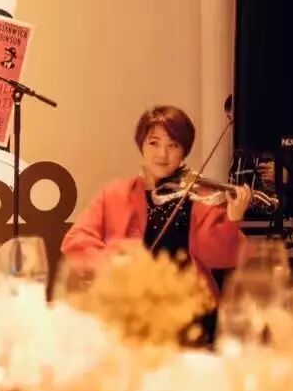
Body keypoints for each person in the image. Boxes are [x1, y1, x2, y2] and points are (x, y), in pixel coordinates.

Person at [62, 105, 251, 295]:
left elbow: (220, 257)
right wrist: (113, 264)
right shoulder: (115, 193)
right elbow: (75, 240)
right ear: (141, 145)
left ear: (184, 151)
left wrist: (232, 219)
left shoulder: (199, 198)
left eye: (173, 145)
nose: (162, 154)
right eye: (154, 143)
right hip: (129, 301)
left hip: (188, 301)